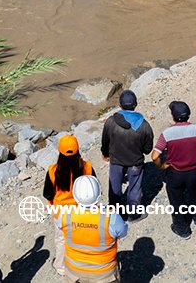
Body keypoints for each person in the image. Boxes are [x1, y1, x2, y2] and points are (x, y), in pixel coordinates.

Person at [151, 100, 196, 239]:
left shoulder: (167, 133)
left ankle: (182, 229)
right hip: (195, 171)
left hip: (175, 173)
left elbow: (154, 156)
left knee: (177, 201)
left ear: (173, 116)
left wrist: (162, 165)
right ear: (188, 115)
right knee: (195, 194)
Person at [58, 174, 128, 282]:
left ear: (74, 194)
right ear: (99, 194)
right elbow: (122, 232)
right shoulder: (111, 217)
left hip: (74, 270)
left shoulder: (64, 214)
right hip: (104, 273)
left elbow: (61, 230)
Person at [44, 134, 96, 276]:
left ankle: (61, 266)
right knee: (82, 238)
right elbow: (94, 189)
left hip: (61, 212)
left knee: (61, 240)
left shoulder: (52, 171)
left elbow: (48, 194)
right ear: (78, 150)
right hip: (82, 211)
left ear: (59, 152)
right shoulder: (87, 167)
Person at [101, 90, 154, 220]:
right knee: (135, 187)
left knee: (114, 187)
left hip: (116, 161)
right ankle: (134, 214)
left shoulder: (110, 122)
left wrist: (105, 153)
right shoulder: (144, 125)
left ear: (120, 105)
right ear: (135, 104)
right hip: (135, 162)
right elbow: (148, 149)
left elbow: (105, 141)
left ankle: (115, 213)